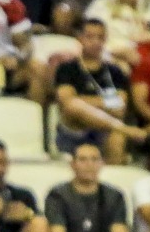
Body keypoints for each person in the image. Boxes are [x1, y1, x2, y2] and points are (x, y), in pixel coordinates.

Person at [44, 140, 142, 232]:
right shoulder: (57, 195)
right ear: (73, 164)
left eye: (95, 159)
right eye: (83, 160)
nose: (89, 165)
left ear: (102, 163)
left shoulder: (115, 195)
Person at [52, 18, 144, 162]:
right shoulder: (67, 68)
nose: (96, 42)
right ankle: (123, 128)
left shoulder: (114, 71)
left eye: (100, 37)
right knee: (73, 105)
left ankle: (114, 173)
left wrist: (84, 103)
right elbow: (67, 103)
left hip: (104, 133)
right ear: (80, 39)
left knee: (117, 137)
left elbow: (120, 107)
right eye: (90, 37)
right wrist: (106, 103)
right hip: (74, 132)